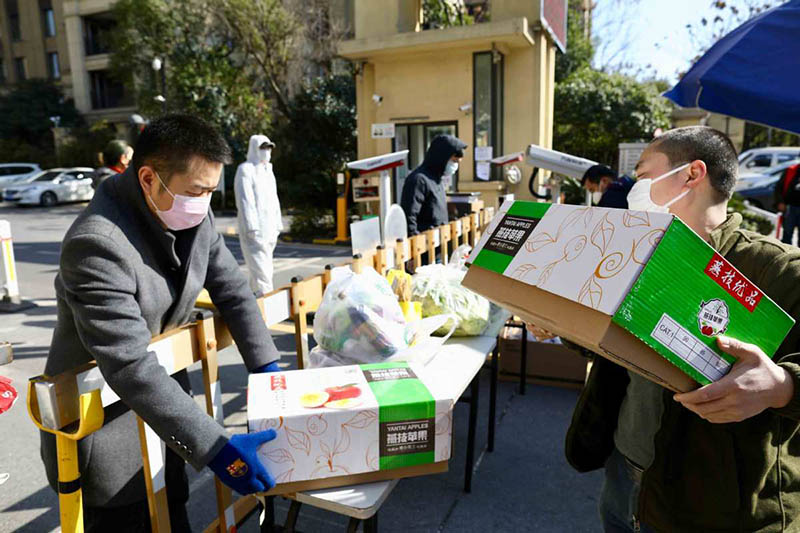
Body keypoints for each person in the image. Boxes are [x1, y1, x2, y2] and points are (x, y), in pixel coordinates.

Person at [40, 114, 282, 532]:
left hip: (169, 416)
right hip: (111, 433)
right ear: (149, 177)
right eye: (196, 191)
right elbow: (130, 364)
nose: (204, 202)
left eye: (210, 191)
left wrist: (269, 372)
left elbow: (233, 292)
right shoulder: (96, 244)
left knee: (175, 509)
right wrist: (219, 450)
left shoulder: (189, 213)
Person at [566, 126, 800, 532]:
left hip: (712, 507)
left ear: (692, 175)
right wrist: (561, 322)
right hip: (625, 474)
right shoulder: (637, 250)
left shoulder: (779, 270)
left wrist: (781, 385)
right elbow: (617, 348)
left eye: (642, 176)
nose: (634, 189)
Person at [234, 135, 283, 295]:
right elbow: (245, 201)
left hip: (270, 231)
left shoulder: (268, 170)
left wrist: (278, 224)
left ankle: (251, 305)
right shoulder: (245, 170)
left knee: (262, 272)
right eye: (263, 147)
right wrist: (252, 229)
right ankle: (267, 312)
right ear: (254, 148)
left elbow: (274, 199)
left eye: (269, 148)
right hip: (254, 232)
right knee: (263, 277)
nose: (267, 151)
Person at [400, 134, 466, 235]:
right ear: (441, 157)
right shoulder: (419, 180)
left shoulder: (436, 179)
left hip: (438, 242)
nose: (455, 165)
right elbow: (409, 217)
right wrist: (417, 244)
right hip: (425, 244)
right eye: (454, 161)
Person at [774, 162, 800, 245]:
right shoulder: (791, 170)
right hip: (790, 207)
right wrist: (780, 202)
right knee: (787, 235)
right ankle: (788, 256)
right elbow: (778, 188)